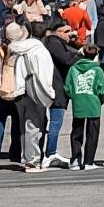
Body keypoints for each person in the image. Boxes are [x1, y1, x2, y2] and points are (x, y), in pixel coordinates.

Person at [5, 22, 55, 173]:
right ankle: (32, 162)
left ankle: (26, 158)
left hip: (19, 92)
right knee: (34, 126)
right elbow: (44, 73)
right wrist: (49, 93)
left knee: (23, 127)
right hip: (35, 91)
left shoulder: (13, 50)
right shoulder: (38, 49)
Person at [42, 17, 78, 169]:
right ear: (58, 32)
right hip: (56, 88)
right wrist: (79, 53)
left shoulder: (59, 43)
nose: (70, 34)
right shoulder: (53, 43)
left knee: (56, 121)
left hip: (59, 87)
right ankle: (50, 152)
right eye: (67, 31)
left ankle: (51, 151)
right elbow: (65, 59)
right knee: (55, 121)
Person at [65, 44, 104, 169]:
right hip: (93, 104)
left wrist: (74, 96)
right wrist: (100, 98)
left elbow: (68, 87)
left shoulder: (73, 69)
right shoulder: (98, 70)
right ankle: (89, 161)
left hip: (78, 103)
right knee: (92, 134)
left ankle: (75, 159)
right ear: (96, 55)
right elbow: (102, 88)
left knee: (76, 132)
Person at [0, 37, 22, 164]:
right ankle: (15, 152)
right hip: (16, 89)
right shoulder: (20, 50)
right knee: (17, 121)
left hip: (2, 88)